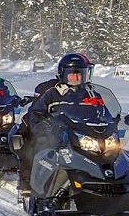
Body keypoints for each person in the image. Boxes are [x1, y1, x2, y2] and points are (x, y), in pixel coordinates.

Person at [15, 52, 99, 194]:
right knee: (38, 145)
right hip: (58, 133)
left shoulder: (91, 94)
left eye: (79, 75)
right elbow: (36, 113)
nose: (76, 78)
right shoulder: (53, 93)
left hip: (83, 132)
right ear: (63, 74)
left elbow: (103, 111)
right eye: (72, 75)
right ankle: (31, 182)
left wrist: (113, 121)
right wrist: (44, 126)